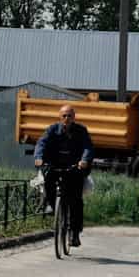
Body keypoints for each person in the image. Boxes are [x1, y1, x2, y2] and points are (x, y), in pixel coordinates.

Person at [33, 104, 93, 247]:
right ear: (60, 117)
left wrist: (84, 160)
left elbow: (87, 147)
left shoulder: (81, 130)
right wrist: (39, 157)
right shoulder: (52, 129)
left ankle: (74, 233)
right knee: (48, 179)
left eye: (70, 116)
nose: (67, 118)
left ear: (74, 117)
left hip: (74, 167)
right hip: (55, 165)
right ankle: (50, 203)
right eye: (64, 116)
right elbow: (42, 143)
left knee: (76, 200)